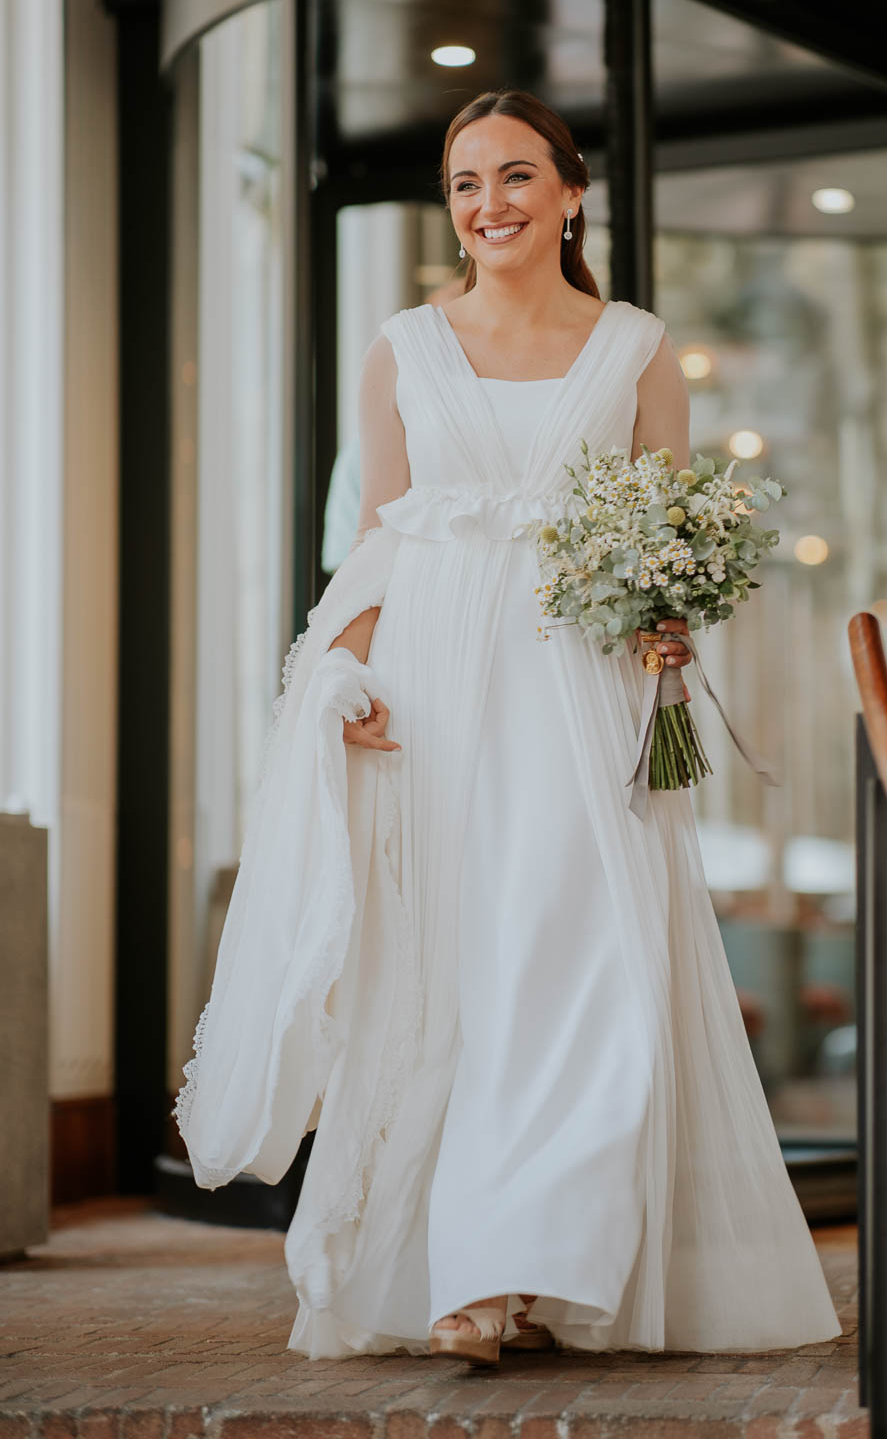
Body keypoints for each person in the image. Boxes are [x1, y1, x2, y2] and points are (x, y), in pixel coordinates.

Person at [175, 89, 842, 1365]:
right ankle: (473, 1269)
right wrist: (342, 682)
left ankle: (531, 1258)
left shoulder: (639, 347)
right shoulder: (402, 347)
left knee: (586, 971)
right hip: (433, 686)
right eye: (468, 181)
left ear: (572, 192)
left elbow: (664, 530)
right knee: (459, 973)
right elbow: (379, 535)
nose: (491, 203)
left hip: (581, 689)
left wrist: (669, 616)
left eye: (519, 175)